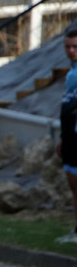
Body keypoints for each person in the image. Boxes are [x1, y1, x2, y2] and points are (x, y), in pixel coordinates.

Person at [56, 28, 77, 243]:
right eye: (68, 47)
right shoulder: (71, 72)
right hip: (69, 131)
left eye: (75, 47)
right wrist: (63, 137)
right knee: (72, 182)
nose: (71, 51)